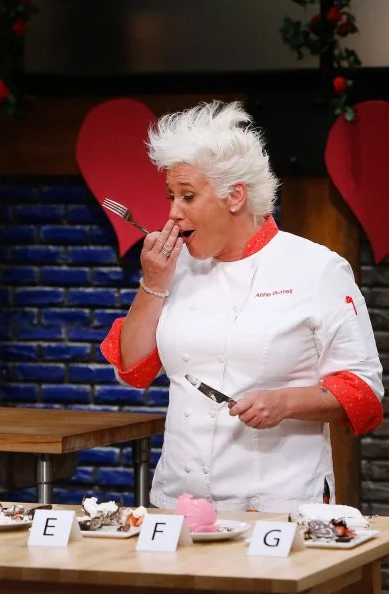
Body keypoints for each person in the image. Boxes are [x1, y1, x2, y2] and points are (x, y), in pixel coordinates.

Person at [100, 101, 383, 513]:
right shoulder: (176, 269)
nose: (172, 213)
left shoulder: (317, 268)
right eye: (171, 196)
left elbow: (365, 394)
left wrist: (285, 403)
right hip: (179, 503)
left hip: (278, 505)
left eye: (188, 196)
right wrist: (154, 283)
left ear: (234, 196)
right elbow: (133, 369)